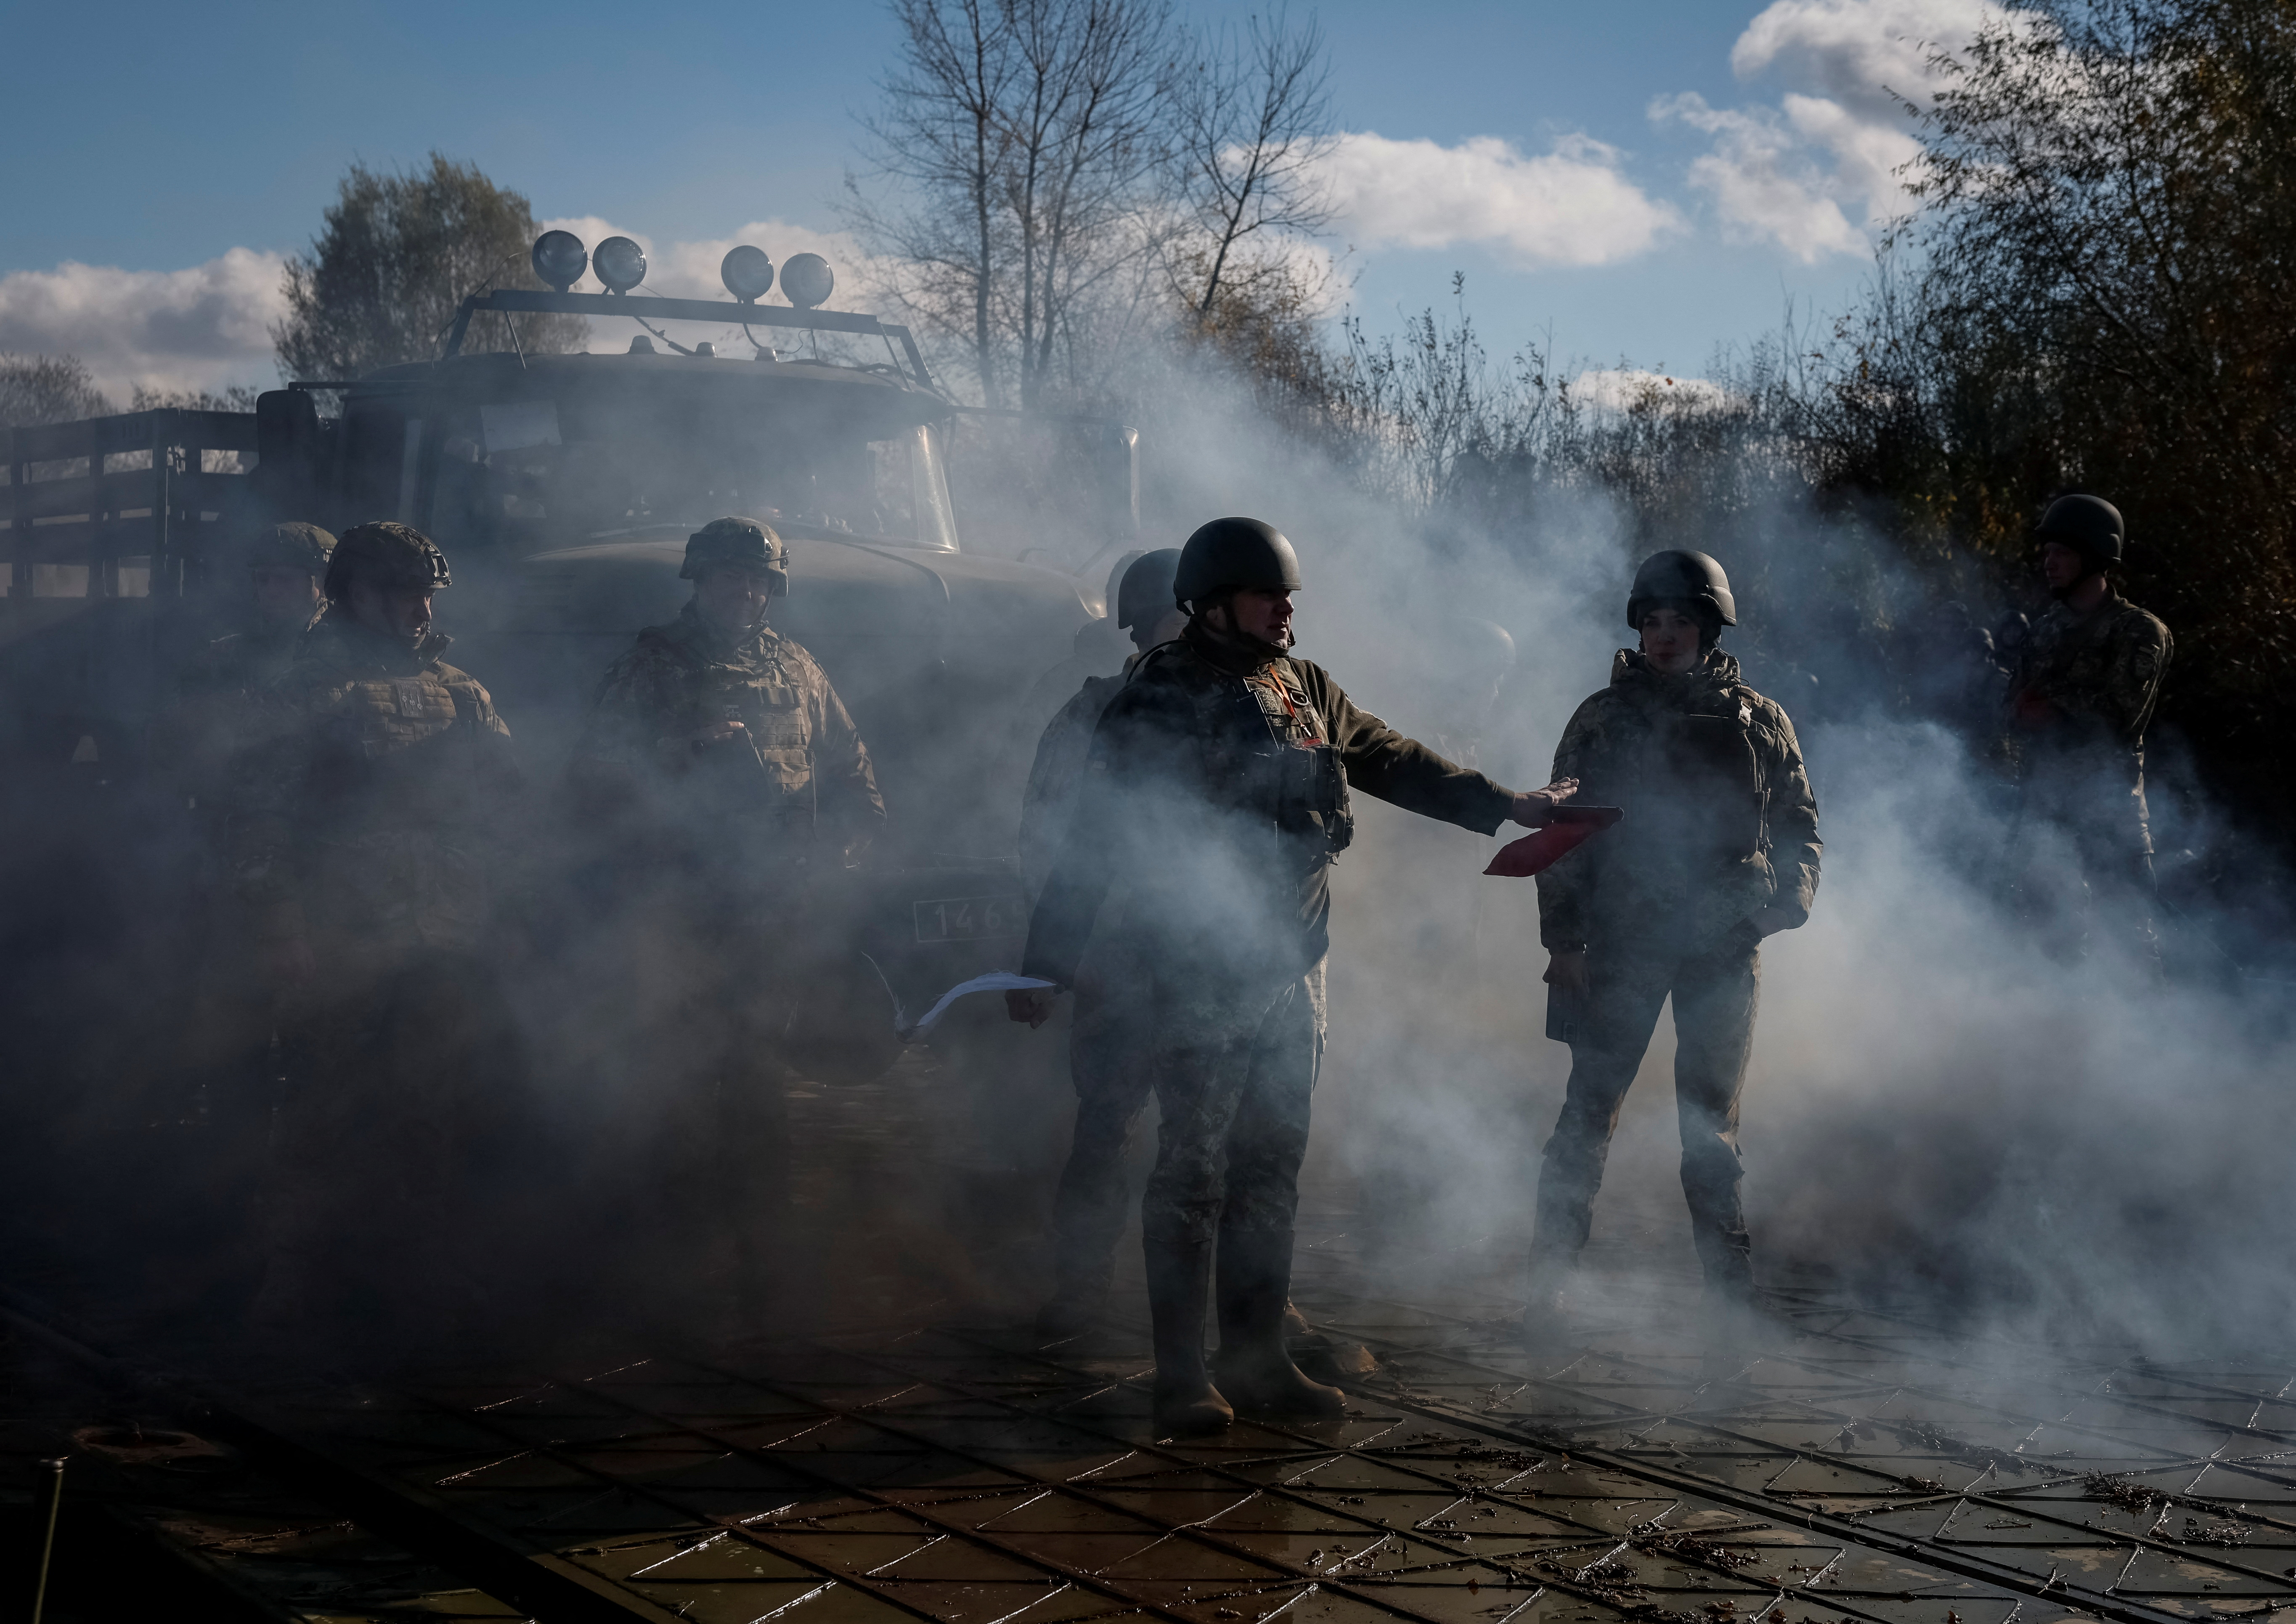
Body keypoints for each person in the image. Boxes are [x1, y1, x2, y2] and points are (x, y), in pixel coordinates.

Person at [1009, 517, 1576, 1434]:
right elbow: (1093, 839)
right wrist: (1045, 962)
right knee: (1191, 1170)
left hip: (1294, 966)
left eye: (1286, 597)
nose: (1285, 610)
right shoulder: (1156, 697)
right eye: (1268, 595)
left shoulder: (1298, 684)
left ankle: (1259, 1355)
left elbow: (1384, 755)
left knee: (1270, 1166)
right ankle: (1181, 1375)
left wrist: (1504, 804)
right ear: (1213, 602)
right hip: (1195, 968)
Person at [566, 517, 884, 1316]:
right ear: (697, 582)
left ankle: (759, 1256)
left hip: (772, 907)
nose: (744, 593)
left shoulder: (799, 668)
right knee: (673, 1081)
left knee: (756, 1080)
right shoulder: (654, 666)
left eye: (758, 580)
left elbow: (848, 766)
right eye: (729, 578)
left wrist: (849, 845)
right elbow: (592, 780)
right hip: (675, 908)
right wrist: (684, 749)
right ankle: (667, 1260)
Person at [228, 521, 528, 1348]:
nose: (420, 610)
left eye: (426, 594)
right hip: (343, 936)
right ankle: (296, 1278)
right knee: (321, 1113)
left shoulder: (464, 693)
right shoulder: (303, 692)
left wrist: (502, 916)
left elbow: (505, 814)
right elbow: (259, 824)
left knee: (432, 1111)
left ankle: (418, 1274)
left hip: (446, 936)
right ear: (353, 595)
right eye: (402, 593)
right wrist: (283, 927)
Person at [1528, 550, 1821, 1324]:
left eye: (1679, 620)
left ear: (1709, 627)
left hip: (1723, 948)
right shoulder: (1600, 717)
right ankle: (1547, 1286)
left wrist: (1780, 908)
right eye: (1651, 620)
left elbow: (1797, 824)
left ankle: (1728, 1304)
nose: (1662, 635)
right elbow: (1562, 830)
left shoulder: (1758, 718)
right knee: (1587, 1113)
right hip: (1623, 941)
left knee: (1710, 1131)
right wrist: (1563, 941)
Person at [1018, 548, 1185, 1336]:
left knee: (1218, 1145)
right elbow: (1046, 844)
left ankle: (1235, 1306)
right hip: (1117, 959)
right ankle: (1080, 1291)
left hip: (1215, 970)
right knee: (1107, 1128)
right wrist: (1060, 956)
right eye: (1186, 617)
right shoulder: (1091, 716)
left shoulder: (1252, 707)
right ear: (1152, 624)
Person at [1998, 495, 2173, 959]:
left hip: (2108, 813)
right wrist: (2022, 710)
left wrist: (2050, 709)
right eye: (2046, 553)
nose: (2048, 563)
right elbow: (2011, 706)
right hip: (2044, 806)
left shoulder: (2138, 631)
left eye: (2062, 553)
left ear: (2095, 557)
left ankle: (2143, 1028)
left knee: (2129, 937)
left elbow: (2119, 714)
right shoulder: (2044, 630)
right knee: (2038, 934)